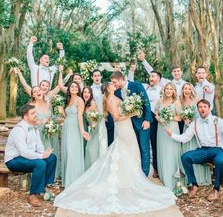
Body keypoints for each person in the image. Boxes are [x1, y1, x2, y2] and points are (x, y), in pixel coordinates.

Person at [54, 82, 176, 215]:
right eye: (111, 84)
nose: (114, 85)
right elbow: (117, 118)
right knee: (126, 151)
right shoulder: (110, 99)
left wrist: (131, 109)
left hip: (126, 126)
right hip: (123, 127)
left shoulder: (114, 96)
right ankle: (129, 180)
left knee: (129, 152)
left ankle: (128, 179)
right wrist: (132, 113)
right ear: (107, 88)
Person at [166, 99, 223, 201]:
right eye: (200, 107)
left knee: (220, 161)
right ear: (198, 109)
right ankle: (194, 185)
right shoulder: (195, 123)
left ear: (209, 108)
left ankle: (216, 189)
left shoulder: (218, 121)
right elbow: (185, 137)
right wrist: (172, 135)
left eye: (204, 107)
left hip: (218, 150)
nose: (202, 109)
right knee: (185, 157)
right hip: (203, 151)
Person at [4, 104, 56, 207]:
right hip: (14, 160)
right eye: (33, 113)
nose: (36, 115)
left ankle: (43, 188)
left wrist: (45, 153)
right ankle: (33, 194)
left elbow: (39, 146)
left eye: (35, 113)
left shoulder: (34, 128)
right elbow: (23, 152)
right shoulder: (19, 129)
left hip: (26, 157)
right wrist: (41, 156)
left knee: (52, 158)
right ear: (25, 116)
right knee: (40, 163)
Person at [111, 71, 152, 176]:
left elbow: (146, 101)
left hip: (142, 122)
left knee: (144, 148)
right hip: (128, 125)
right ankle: (135, 173)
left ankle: (145, 174)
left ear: (121, 79)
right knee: (135, 149)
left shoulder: (136, 85)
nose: (114, 84)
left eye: (115, 82)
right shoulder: (117, 92)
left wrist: (147, 119)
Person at [58, 82, 90, 188]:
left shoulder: (80, 100)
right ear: (69, 89)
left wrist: (82, 131)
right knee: (67, 151)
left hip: (75, 128)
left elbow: (80, 116)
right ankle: (67, 179)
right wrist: (61, 111)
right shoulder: (67, 100)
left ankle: (74, 181)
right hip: (67, 127)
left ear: (78, 89)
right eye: (72, 86)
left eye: (76, 87)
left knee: (73, 152)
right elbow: (66, 116)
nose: (74, 88)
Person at [179, 83, 211, 186]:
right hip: (186, 128)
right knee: (186, 151)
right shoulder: (180, 101)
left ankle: (201, 177)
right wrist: (185, 118)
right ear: (183, 90)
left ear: (192, 90)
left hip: (196, 128)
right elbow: (179, 113)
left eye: (189, 88)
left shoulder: (197, 100)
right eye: (185, 88)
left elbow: (202, 114)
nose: (187, 90)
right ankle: (191, 179)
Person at [155, 82, 182, 190]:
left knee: (172, 152)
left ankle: (174, 180)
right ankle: (164, 179)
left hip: (172, 129)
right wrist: (159, 118)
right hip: (161, 130)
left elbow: (179, 118)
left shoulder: (176, 102)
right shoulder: (160, 101)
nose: (168, 90)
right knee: (163, 152)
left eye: (171, 89)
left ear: (174, 91)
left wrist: (167, 117)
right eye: (167, 88)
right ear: (164, 90)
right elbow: (156, 113)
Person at [82, 86, 106, 169]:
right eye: (85, 92)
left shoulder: (92, 103)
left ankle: (94, 170)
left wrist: (94, 123)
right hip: (90, 129)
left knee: (91, 149)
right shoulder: (84, 104)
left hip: (96, 129)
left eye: (88, 92)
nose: (86, 94)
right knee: (88, 149)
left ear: (91, 94)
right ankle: (88, 170)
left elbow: (99, 115)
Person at [91, 69, 114, 146]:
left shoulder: (106, 87)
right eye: (95, 76)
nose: (97, 77)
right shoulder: (89, 89)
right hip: (96, 116)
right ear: (92, 77)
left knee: (110, 137)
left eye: (98, 75)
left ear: (101, 77)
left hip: (107, 116)